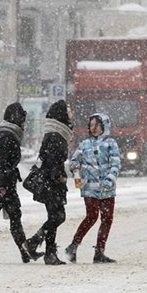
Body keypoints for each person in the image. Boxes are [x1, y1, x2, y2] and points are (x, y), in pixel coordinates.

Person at [0, 102, 44, 264]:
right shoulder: (7, 136)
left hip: (3, 184)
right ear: (16, 119)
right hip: (2, 186)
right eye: (23, 120)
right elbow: (1, 163)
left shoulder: (7, 134)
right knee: (3, 217)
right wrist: (3, 186)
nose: (24, 124)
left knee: (5, 216)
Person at [65, 113, 121, 263]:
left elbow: (115, 164)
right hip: (89, 187)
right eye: (91, 125)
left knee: (107, 218)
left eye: (97, 125)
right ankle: (73, 245)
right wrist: (76, 169)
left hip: (107, 188)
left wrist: (110, 179)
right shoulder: (84, 145)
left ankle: (99, 251)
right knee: (92, 216)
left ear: (105, 126)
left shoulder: (111, 144)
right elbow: (74, 161)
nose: (93, 128)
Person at [25, 99, 74, 265]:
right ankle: (45, 251)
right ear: (61, 114)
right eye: (68, 110)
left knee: (55, 216)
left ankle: (38, 246)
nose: (70, 113)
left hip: (51, 182)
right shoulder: (55, 135)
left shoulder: (56, 133)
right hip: (52, 183)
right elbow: (52, 159)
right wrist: (57, 176)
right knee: (57, 216)